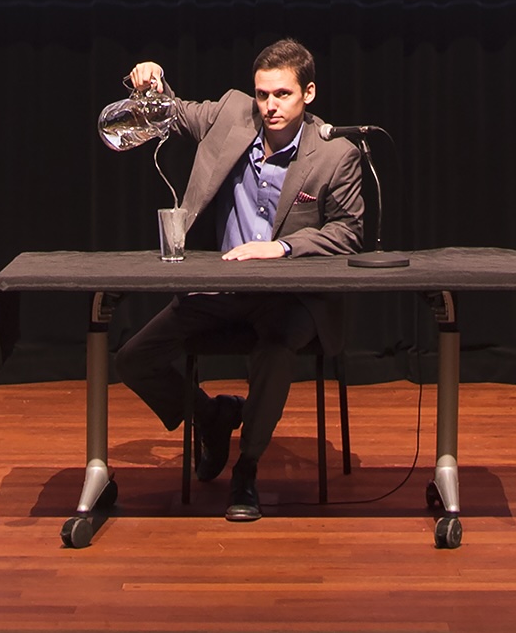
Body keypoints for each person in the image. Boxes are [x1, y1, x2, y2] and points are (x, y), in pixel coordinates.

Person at [113, 38, 364, 522]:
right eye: (263, 94)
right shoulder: (232, 114)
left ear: (308, 93)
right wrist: (152, 78)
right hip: (221, 287)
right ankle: (211, 417)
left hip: (288, 296)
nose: (270, 106)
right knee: (132, 359)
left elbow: (347, 232)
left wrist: (283, 246)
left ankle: (247, 469)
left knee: (273, 349)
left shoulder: (337, 154)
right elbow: (175, 110)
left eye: (282, 95)